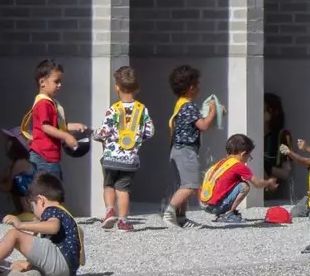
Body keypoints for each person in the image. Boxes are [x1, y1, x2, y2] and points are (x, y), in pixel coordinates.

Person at [0, 173, 83, 276]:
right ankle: (14, 273)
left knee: (13, 234)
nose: (34, 213)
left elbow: (53, 227)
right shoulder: (63, 213)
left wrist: (20, 225)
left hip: (60, 262)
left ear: (41, 200)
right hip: (66, 269)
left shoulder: (52, 210)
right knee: (19, 264)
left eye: (33, 208)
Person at [161, 64, 221, 227]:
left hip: (177, 150)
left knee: (183, 186)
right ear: (191, 87)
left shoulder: (180, 104)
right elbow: (203, 126)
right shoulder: (189, 106)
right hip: (186, 151)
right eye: (198, 84)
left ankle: (181, 219)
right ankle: (169, 213)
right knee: (190, 186)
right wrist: (213, 112)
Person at [96, 65, 152, 230]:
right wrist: (138, 139)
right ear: (138, 88)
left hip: (110, 158)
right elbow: (149, 132)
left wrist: (95, 135)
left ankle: (109, 211)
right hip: (129, 159)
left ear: (117, 87)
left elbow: (104, 131)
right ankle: (123, 221)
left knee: (108, 185)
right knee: (123, 190)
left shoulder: (113, 109)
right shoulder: (142, 110)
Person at [20, 59, 87, 185]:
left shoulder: (49, 102)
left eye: (60, 81)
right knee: (50, 191)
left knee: (52, 190)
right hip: (44, 157)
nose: (60, 85)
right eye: (56, 81)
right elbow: (46, 127)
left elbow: (55, 125)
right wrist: (66, 136)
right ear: (42, 82)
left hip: (49, 157)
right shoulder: (43, 103)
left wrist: (73, 126)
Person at [198, 134, 280, 224]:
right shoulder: (238, 166)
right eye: (249, 156)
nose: (248, 159)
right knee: (244, 186)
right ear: (243, 154)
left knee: (235, 182)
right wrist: (269, 183)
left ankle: (223, 212)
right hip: (215, 207)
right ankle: (228, 214)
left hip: (204, 203)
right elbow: (257, 183)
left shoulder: (221, 164)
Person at [0, 130, 35, 218]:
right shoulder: (14, 165)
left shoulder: (20, 163)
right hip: (21, 212)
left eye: (10, 140)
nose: (6, 143)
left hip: (28, 213)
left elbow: (6, 187)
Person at [262, 93, 298, 200]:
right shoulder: (248, 134)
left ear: (273, 112)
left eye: (262, 109)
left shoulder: (281, 136)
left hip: (268, 185)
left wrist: (265, 168)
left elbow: (286, 172)